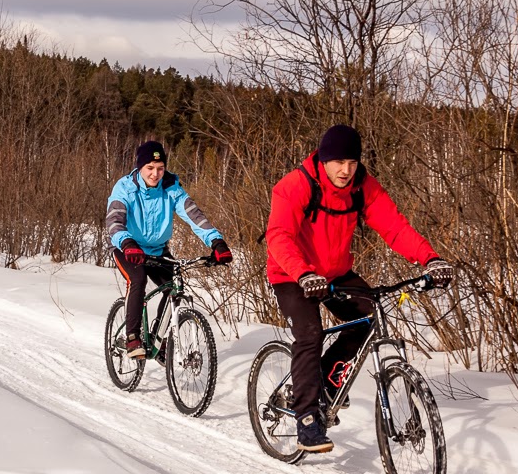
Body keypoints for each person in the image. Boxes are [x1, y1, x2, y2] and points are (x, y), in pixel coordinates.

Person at [266, 124, 453, 453]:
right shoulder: (295, 186)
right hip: (291, 273)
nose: (345, 170)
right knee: (310, 333)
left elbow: (394, 227)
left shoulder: (362, 187)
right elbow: (279, 237)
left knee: (369, 318)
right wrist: (303, 273)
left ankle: (322, 383)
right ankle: (307, 417)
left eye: (352, 162)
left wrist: (430, 258)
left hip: (335, 273)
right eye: (338, 162)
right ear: (323, 161)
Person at [106, 140, 233, 360]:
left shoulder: (171, 187)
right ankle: (132, 336)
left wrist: (216, 242)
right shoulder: (125, 187)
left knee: (173, 286)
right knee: (137, 280)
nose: (155, 174)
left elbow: (195, 216)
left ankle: (158, 337)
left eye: (160, 168)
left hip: (157, 250)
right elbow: (115, 221)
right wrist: (127, 243)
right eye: (150, 168)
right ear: (139, 167)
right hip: (127, 248)